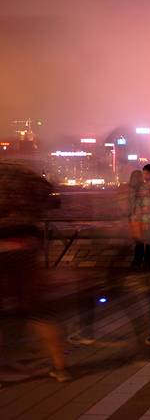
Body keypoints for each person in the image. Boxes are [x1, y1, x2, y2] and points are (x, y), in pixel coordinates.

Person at [0, 160, 71, 381]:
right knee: (38, 310)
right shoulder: (23, 172)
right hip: (26, 245)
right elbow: (53, 198)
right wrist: (33, 210)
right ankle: (60, 368)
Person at [131, 165, 150, 269]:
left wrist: (142, 204)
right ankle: (137, 262)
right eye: (143, 173)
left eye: (147, 173)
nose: (144, 175)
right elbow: (137, 201)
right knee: (140, 241)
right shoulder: (141, 187)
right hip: (142, 218)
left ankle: (147, 263)